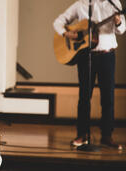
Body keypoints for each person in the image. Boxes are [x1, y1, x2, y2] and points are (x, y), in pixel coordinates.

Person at [53, 0, 125, 150]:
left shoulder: (113, 3)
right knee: (85, 97)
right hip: (86, 56)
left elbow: (122, 30)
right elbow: (58, 21)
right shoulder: (81, 4)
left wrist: (118, 22)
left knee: (108, 98)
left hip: (107, 55)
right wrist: (67, 33)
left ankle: (107, 136)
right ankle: (82, 135)